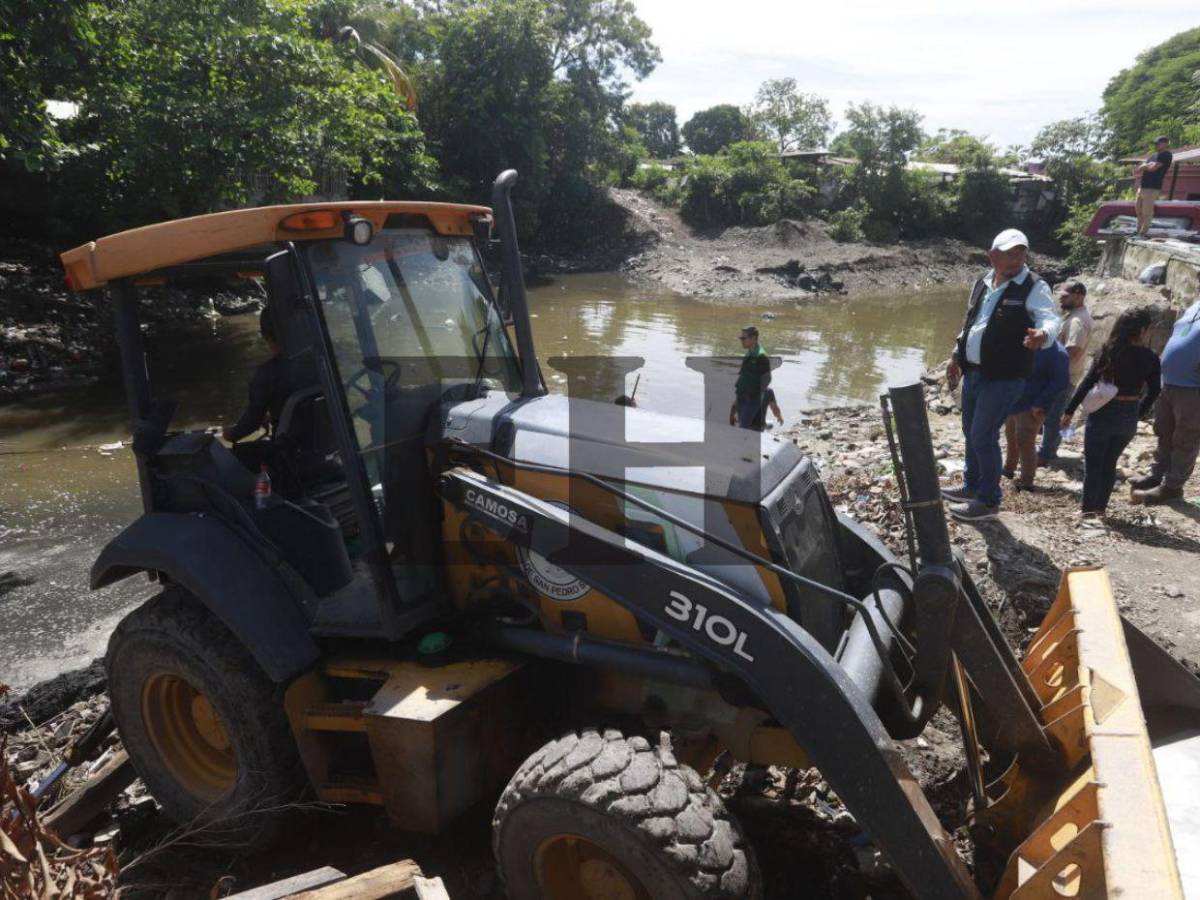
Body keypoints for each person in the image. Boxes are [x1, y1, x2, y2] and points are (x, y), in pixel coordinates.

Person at [943, 229, 1060, 522]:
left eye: (1021, 253)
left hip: (1005, 376)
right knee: (971, 432)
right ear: (992, 256)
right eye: (1010, 253)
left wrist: (1043, 334)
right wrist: (956, 355)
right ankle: (972, 486)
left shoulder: (1033, 286)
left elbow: (1050, 318)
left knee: (983, 435)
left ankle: (988, 500)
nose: (1016, 259)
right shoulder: (983, 282)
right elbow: (972, 323)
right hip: (974, 373)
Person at [1061, 307, 1160, 519]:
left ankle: (1088, 510)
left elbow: (1087, 383)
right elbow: (1155, 391)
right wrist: (1139, 412)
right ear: (1142, 330)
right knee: (1110, 463)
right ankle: (1100, 509)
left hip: (1104, 411)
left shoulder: (1109, 351)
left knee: (1094, 464)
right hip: (1129, 414)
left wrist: (1069, 410)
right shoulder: (1150, 357)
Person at [1131, 287, 1200, 504]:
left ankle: (1172, 487)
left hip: (1193, 388)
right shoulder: (1194, 307)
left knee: (1185, 438)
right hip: (1169, 383)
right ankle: (1156, 475)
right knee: (1164, 432)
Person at [223, 309, 314, 447]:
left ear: (265, 335)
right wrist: (278, 415)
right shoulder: (319, 363)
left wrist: (230, 434)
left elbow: (252, 422)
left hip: (290, 452)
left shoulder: (267, 373)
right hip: (321, 442)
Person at [1039, 281, 1094, 465]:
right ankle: (1055, 447)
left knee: (1054, 417)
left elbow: (1073, 350)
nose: (1060, 299)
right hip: (1065, 376)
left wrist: (1054, 372)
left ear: (1078, 296)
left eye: (1065, 296)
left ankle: (1047, 454)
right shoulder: (1076, 315)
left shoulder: (1077, 321)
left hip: (1064, 377)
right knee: (1055, 415)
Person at [1004, 341, 1069, 490]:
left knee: (1025, 442)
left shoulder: (1058, 352)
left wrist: (1041, 402)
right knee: (1011, 437)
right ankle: (1008, 470)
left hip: (1033, 406)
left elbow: (1060, 382)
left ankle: (1027, 482)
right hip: (1015, 400)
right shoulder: (1026, 343)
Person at [729, 325, 772, 430]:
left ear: (753, 338)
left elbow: (767, 380)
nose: (741, 341)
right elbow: (743, 379)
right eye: (741, 338)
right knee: (745, 429)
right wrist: (734, 406)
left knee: (743, 430)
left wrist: (754, 398)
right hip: (742, 399)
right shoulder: (749, 353)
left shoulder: (761, 357)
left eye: (744, 338)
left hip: (751, 400)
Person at [1133, 136, 1173, 237]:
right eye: (1155, 143)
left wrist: (1145, 166)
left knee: (1147, 211)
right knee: (1138, 210)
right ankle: (1138, 231)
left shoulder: (1166, 155)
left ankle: (1143, 233)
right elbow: (1141, 168)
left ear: (1165, 143)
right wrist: (1146, 165)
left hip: (1152, 187)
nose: (1156, 145)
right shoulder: (1154, 155)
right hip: (1143, 186)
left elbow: (1153, 168)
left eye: (1158, 143)